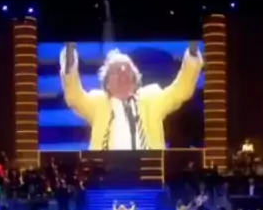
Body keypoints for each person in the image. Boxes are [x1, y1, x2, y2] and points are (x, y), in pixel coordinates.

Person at [60, 42, 203, 150]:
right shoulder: (98, 103)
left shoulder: (152, 98)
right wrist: (69, 63)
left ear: (135, 80)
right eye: (116, 70)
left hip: (148, 169)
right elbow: (75, 97)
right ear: (107, 83)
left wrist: (192, 56)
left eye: (127, 68)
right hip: (108, 172)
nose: (123, 71)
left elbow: (180, 91)